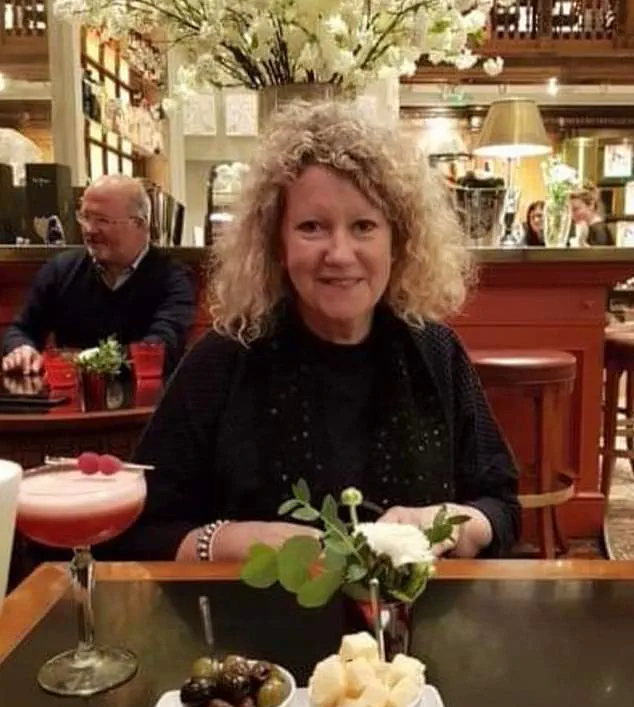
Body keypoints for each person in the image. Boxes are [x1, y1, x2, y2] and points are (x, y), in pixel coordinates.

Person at [113, 101, 521, 564]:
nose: (340, 254)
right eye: (312, 227)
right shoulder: (223, 359)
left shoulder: (435, 351)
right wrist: (233, 541)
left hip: (407, 610)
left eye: (364, 226)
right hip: (255, 612)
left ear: (397, 243)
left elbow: (501, 507)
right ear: (277, 245)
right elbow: (140, 531)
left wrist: (447, 523)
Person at [1, 175, 195, 377]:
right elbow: (22, 329)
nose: (90, 230)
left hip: (147, 394)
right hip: (71, 393)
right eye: (85, 217)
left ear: (140, 224)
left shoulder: (173, 278)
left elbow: (159, 349)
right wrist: (21, 349)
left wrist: (83, 361)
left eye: (102, 220)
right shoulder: (61, 270)